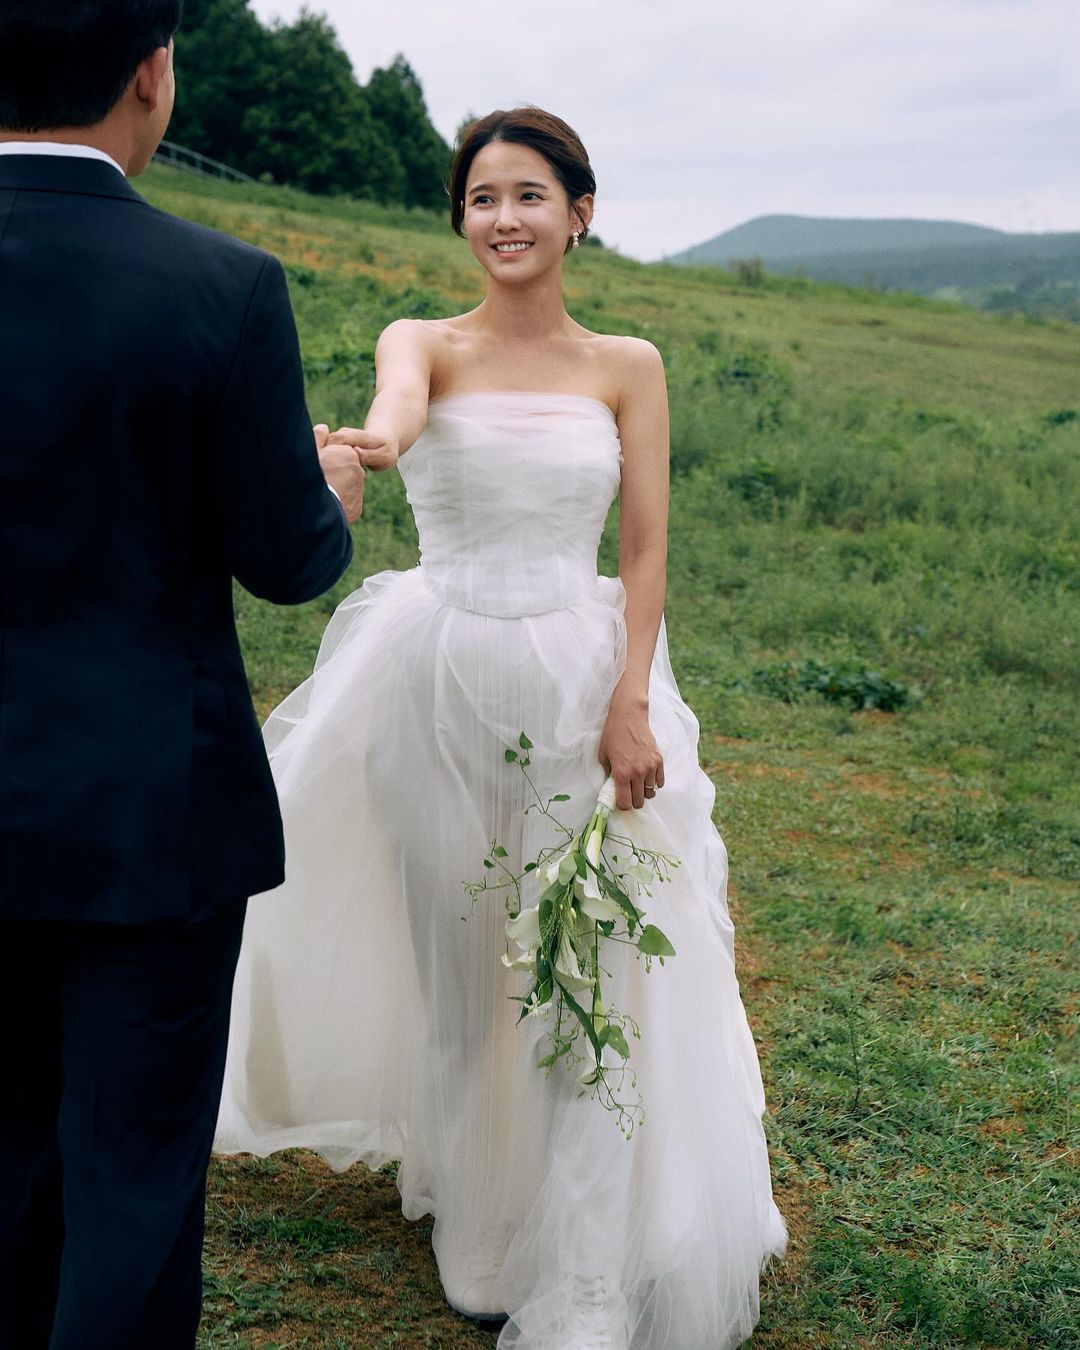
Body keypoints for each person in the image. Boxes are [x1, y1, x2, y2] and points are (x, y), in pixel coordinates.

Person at [216, 107, 786, 1349]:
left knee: (584, 955)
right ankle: (477, 1206)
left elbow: (643, 550)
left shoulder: (625, 363)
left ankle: (580, 1250)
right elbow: (400, 409)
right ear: (459, 218)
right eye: (482, 198)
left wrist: (632, 700)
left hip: (581, 683)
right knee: (460, 947)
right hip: (433, 673)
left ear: (580, 213)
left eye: (531, 195)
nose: (505, 219)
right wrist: (367, 449)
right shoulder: (421, 340)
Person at [0, 3, 366, 1346]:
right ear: (149, 76)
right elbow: (286, 557)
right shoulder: (220, 283)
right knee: (136, 1177)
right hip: (149, 819)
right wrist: (327, 489)